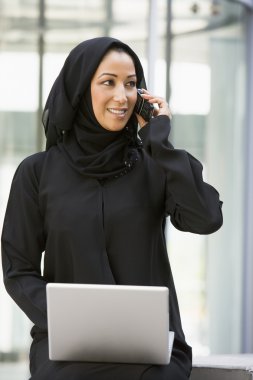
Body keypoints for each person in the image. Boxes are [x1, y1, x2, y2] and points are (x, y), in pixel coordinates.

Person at [1, 36, 223, 380]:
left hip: (152, 353)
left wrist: (160, 143)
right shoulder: (37, 172)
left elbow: (206, 218)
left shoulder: (153, 167)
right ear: (79, 90)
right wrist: (68, 319)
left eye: (131, 84)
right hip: (67, 347)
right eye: (108, 82)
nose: (123, 96)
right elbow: (18, 269)